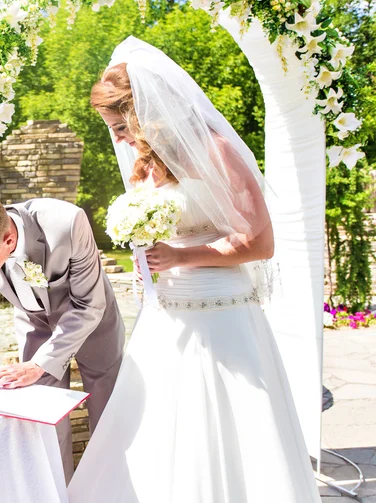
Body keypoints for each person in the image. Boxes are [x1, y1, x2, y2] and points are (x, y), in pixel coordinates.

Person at [68, 36, 321, 502]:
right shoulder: (145, 168)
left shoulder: (217, 151)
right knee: (162, 419)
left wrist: (184, 256)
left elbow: (260, 244)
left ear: (145, 115)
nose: (119, 139)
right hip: (167, 311)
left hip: (223, 307)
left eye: (120, 127)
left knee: (234, 418)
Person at [0, 194, 125, 481]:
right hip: (35, 324)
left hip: (92, 320)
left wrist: (40, 364)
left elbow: (88, 305)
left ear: (9, 241)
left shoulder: (67, 222)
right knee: (44, 422)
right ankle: (58, 492)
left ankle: (111, 487)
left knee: (106, 411)